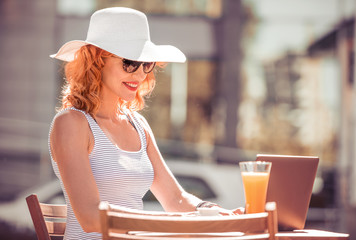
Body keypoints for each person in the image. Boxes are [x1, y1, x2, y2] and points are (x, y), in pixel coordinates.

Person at [49, 7, 243, 240]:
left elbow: (175, 199)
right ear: (97, 61)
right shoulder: (71, 123)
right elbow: (90, 217)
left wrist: (212, 212)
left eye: (146, 64)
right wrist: (168, 224)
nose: (140, 75)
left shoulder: (138, 125)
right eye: (130, 62)